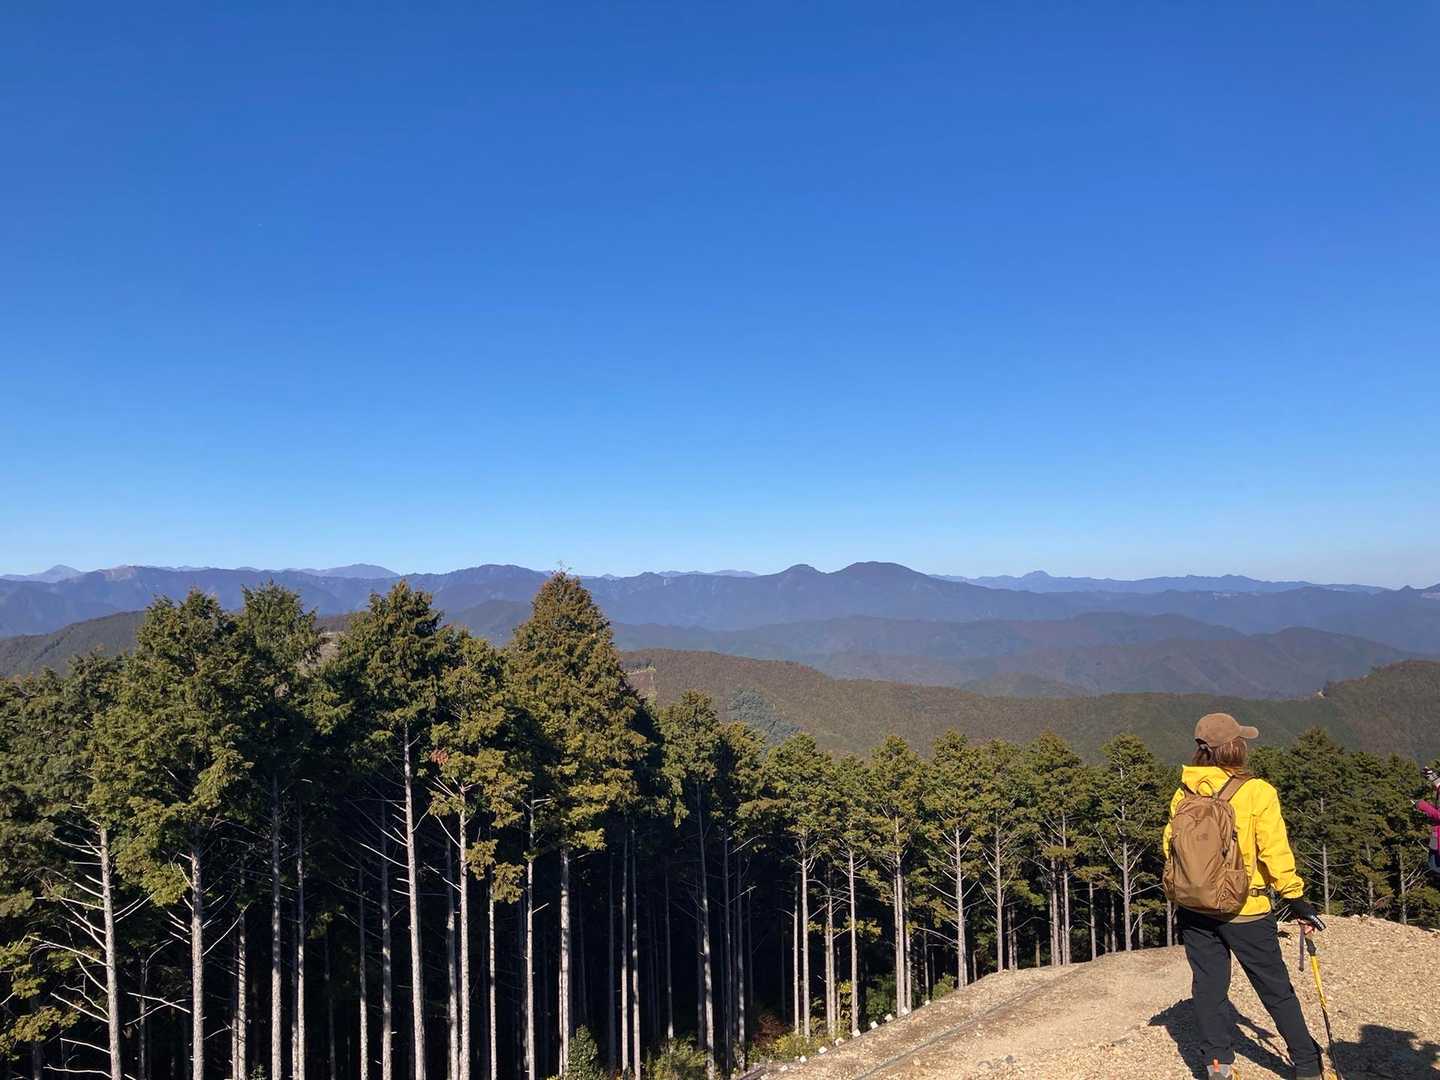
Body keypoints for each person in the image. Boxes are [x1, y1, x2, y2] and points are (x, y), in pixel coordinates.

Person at [1163, 712, 1325, 1080]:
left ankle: (1217, 1063)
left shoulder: (1184, 791)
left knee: (1209, 986)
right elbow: (1274, 851)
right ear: (1235, 747)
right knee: (1274, 988)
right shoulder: (1257, 792)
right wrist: (1296, 898)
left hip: (1195, 907)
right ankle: (1306, 1064)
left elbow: (1169, 846)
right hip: (1245, 908)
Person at [1419, 765, 1440, 877]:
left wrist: (1424, 806)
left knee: (1435, 865)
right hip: (1436, 833)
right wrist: (1432, 776)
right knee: (1433, 864)